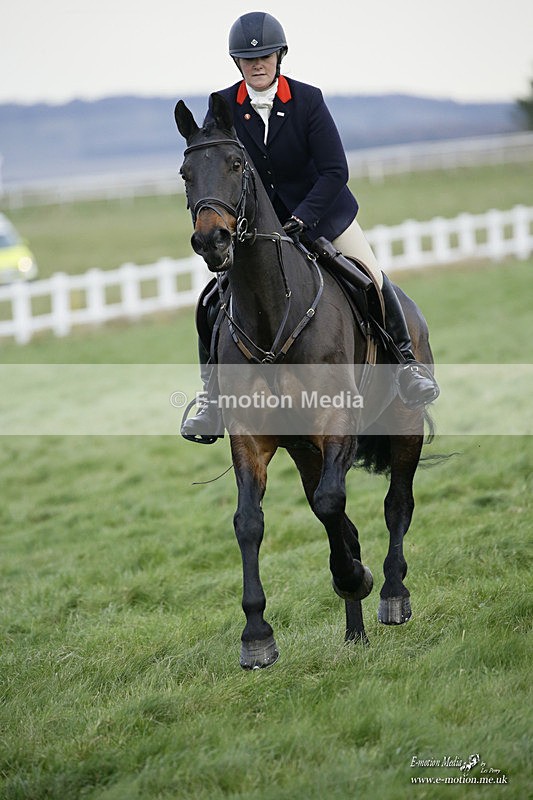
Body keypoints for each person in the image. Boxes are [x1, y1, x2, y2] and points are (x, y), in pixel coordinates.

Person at [181, 11, 439, 441]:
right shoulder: (224, 108)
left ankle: (408, 366)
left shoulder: (307, 100)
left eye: (265, 55)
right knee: (212, 300)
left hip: (323, 215)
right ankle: (211, 397)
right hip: (259, 230)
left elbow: (335, 170)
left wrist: (304, 218)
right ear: (237, 64)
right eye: (248, 59)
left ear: (280, 55)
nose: (257, 64)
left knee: (371, 278)